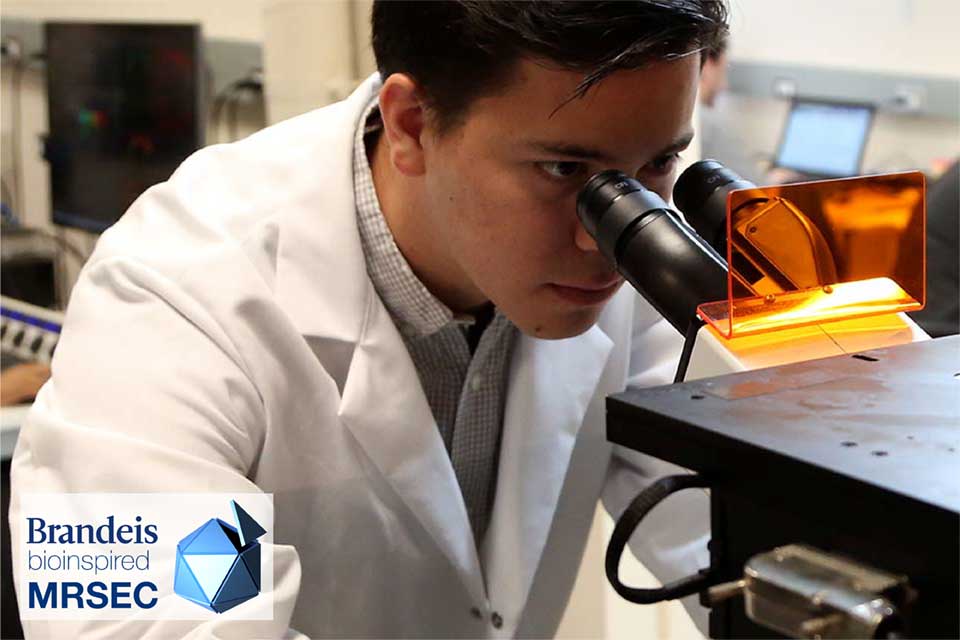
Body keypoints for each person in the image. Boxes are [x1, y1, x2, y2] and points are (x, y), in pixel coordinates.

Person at [10, 2, 728, 637]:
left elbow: (731, 543)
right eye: (565, 169)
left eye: (662, 160)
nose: (607, 237)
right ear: (413, 124)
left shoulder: (627, 257)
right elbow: (148, 625)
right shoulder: (171, 288)